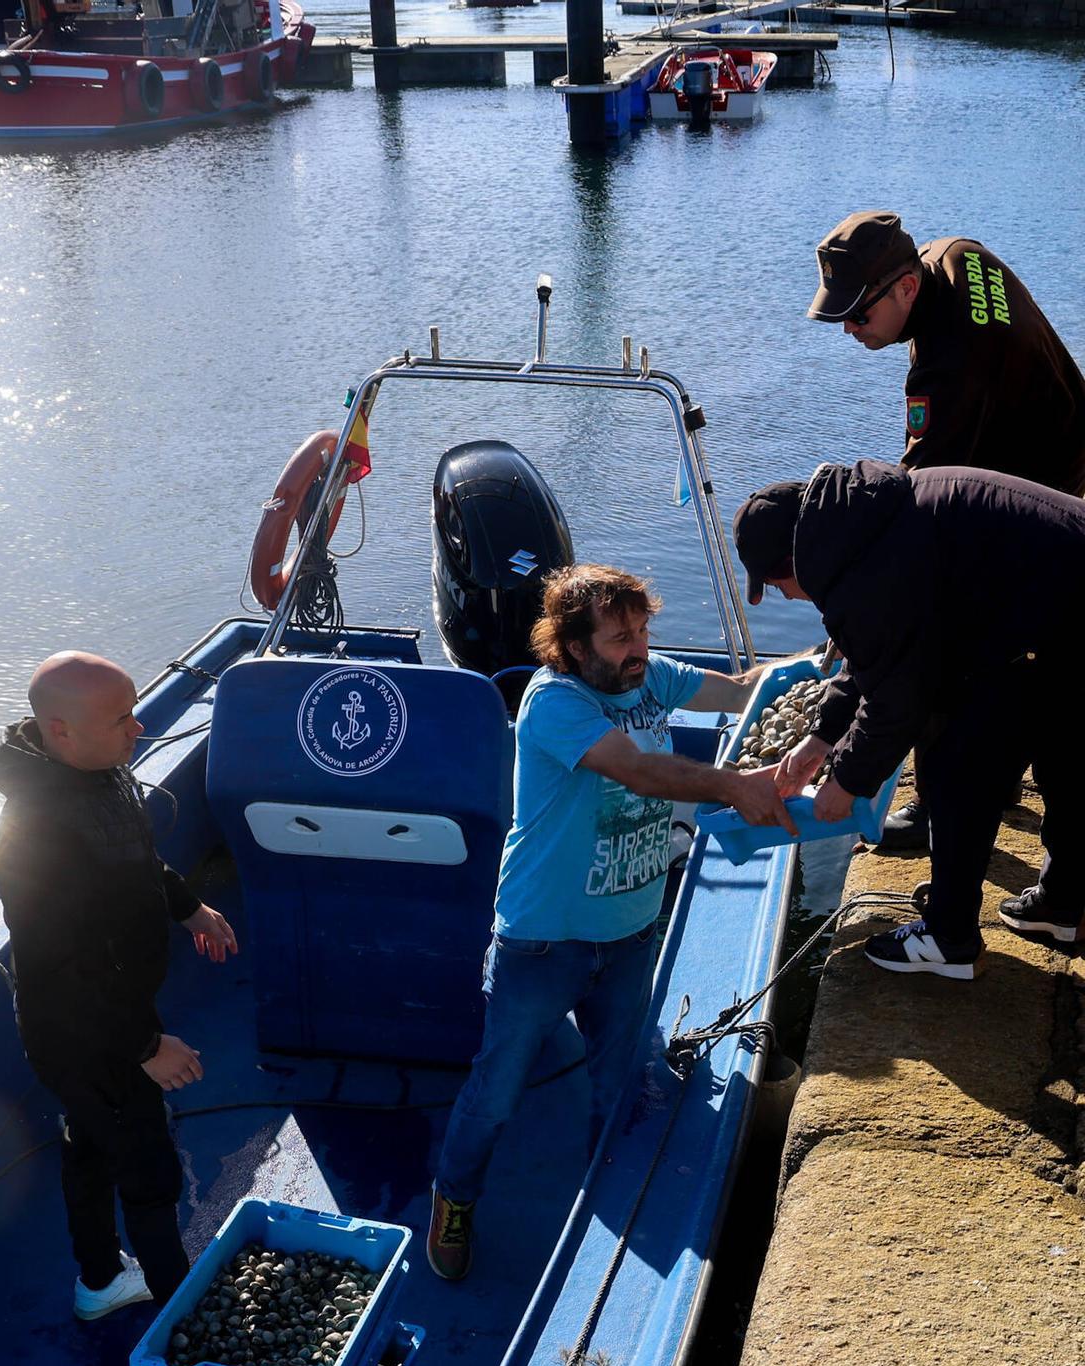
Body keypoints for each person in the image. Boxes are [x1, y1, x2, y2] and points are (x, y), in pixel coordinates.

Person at [426, 564, 795, 1282]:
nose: (639, 646)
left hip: (629, 937)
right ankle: (454, 1198)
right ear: (572, 645)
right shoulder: (554, 702)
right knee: (496, 1093)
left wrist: (834, 659)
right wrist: (733, 785)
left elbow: (744, 688)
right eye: (620, 635)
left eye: (643, 630)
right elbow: (641, 772)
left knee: (622, 1082)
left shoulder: (647, 677)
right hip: (541, 944)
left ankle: (612, 1194)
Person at [733, 460, 1085, 980]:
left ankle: (949, 939)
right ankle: (1063, 907)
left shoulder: (864, 567)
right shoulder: (865, 522)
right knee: (1063, 751)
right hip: (1058, 605)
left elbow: (900, 700)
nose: (784, 595)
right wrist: (821, 738)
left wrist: (847, 783)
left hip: (1057, 624)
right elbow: (879, 656)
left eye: (776, 583)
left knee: (954, 760)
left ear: (793, 559)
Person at [808, 209, 1085, 847]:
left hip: (1037, 475)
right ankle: (996, 775)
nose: (849, 328)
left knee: (947, 633)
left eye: (859, 313)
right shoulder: (952, 253)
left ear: (906, 287)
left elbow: (910, 504)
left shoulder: (948, 367)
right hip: (1056, 430)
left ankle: (943, 806)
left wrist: (864, 605)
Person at [0, 652, 238, 1321]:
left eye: (134, 711)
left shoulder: (92, 773)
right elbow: (63, 967)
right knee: (146, 1163)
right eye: (120, 718)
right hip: (82, 1031)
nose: (137, 729)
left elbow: (134, 856)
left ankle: (100, 1278)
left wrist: (188, 907)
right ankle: (177, 1308)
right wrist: (146, 1045)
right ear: (61, 730)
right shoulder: (34, 832)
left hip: (110, 1011)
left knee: (91, 1143)